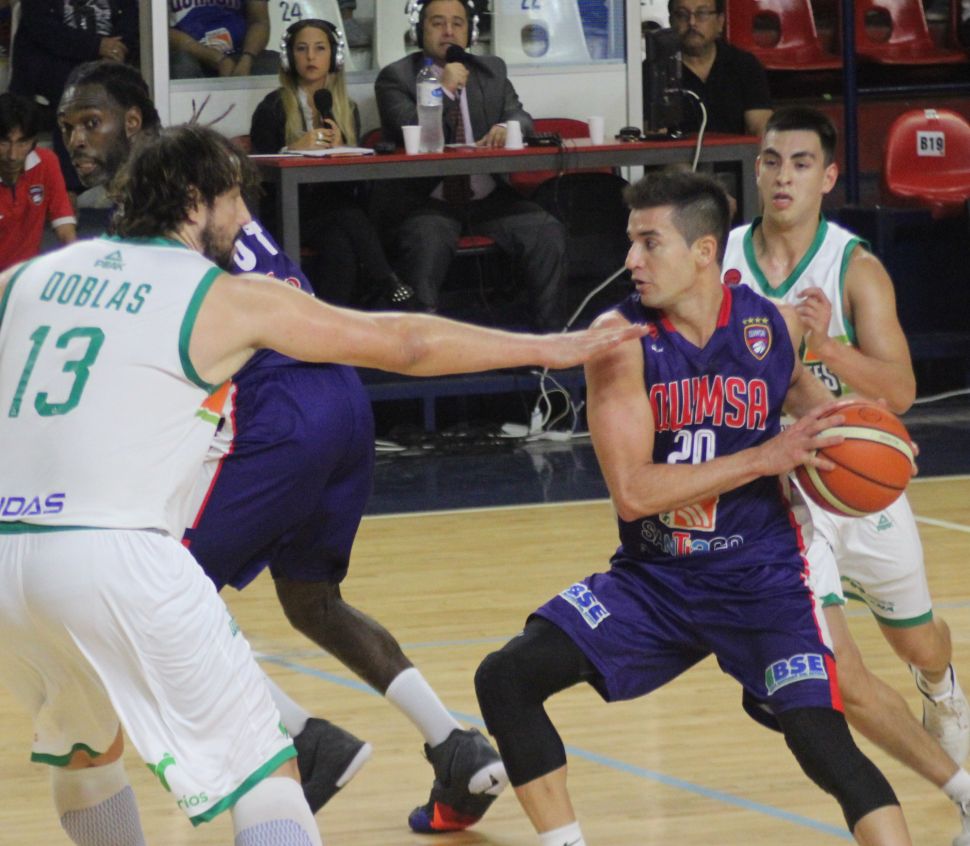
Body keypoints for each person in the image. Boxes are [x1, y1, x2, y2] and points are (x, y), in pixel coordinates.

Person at [0, 121, 645, 846]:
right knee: (267, 778)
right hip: (115, 558)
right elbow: (406, 342)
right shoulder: (221, 295)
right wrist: (549, 346)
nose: (243, 218)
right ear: (194, 199)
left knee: (87, 754)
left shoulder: (26, 279)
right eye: (234, 199)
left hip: (10, 565)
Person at [474, 170, 914, 846]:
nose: (631, 260)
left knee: (823, 742)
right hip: (656, 580)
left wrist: (874, 445)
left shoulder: (770, 327)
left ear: (704, 251)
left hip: (761, 579)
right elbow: (634, 492)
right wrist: (764, 458)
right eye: (630, 241)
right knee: (505, 678)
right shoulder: (620, 341)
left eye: (650, 243)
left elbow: (824, 421)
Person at [723, 105, 970, 843]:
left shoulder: (856, 266)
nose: (784, 177)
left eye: (801, 163)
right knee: (836, 663)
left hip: (857, 477)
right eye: (772, 161)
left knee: (919, 641)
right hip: (777, 488)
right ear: (757, 170)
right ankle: (938, 788)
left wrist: (826, 345)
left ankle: (941, 690)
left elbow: (900, 392)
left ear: (829, 177)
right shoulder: (720, 259)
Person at [374, 0, 567, 331]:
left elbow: (521, 115)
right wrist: (444, 90)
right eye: (437, 23)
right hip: (427, 202)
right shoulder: (396, 77)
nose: (448, 31)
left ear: (471, 32)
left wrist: (507, 127)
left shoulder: (491, 71)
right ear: (420, 31)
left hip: (488, 198)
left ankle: (551, 337)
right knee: (426, 241)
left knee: (546, 230)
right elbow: (411, 128)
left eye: (457, 23)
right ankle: (420, 343)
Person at [250, 18, 414, 308]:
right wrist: (291, 149)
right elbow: (258, 173)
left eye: (320, 48)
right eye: (301, 49)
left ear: (335, 57)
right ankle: (387, 279)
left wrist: (343, 151)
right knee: (347, 216)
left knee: (340, 244)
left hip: (330, 212)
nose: (310, 57)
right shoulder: (271, 107)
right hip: (286, 212)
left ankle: (333, 321)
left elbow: (352, 186)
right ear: (289, 58)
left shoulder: (345, 109)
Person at [9, 0, 138, 193]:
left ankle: (128, 186)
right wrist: (96, 46)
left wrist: (116, 51)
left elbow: (131, 23)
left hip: (109, 63)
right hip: (54, 65)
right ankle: (71, 188)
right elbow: (43, 28)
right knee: (75, 94)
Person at [658, 0, 772, 137]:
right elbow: (654, 135)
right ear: (671, 21)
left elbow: (760, 128)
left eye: (702, 13)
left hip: (733, 150)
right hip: (675, 151)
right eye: (682, 15)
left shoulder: (745, 65)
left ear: (720, 22)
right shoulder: (656, 71)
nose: (692, 22)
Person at [0, 91, 76, 270]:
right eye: (3, 143)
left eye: (22, 143)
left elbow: (63, 222)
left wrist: (77, 262)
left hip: (24, 276)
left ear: (34, 141)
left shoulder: (47, 163)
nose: (13, 155)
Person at [168, 0, 278, 79]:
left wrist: (247, 59)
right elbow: (162, 31)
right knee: (182, 64)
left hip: (239, 55)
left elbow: (259, 22)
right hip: (191, 54)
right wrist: (216, 59)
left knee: (275, 64)